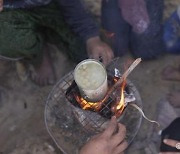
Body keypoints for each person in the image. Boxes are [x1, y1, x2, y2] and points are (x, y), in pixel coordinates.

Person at [0, 0, 114, 86]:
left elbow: (71, 5)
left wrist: (92, 38)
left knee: (84, 52)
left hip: (53, 5)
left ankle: (47, 34)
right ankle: (37, 53)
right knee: (7, 41)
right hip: (11, 11)